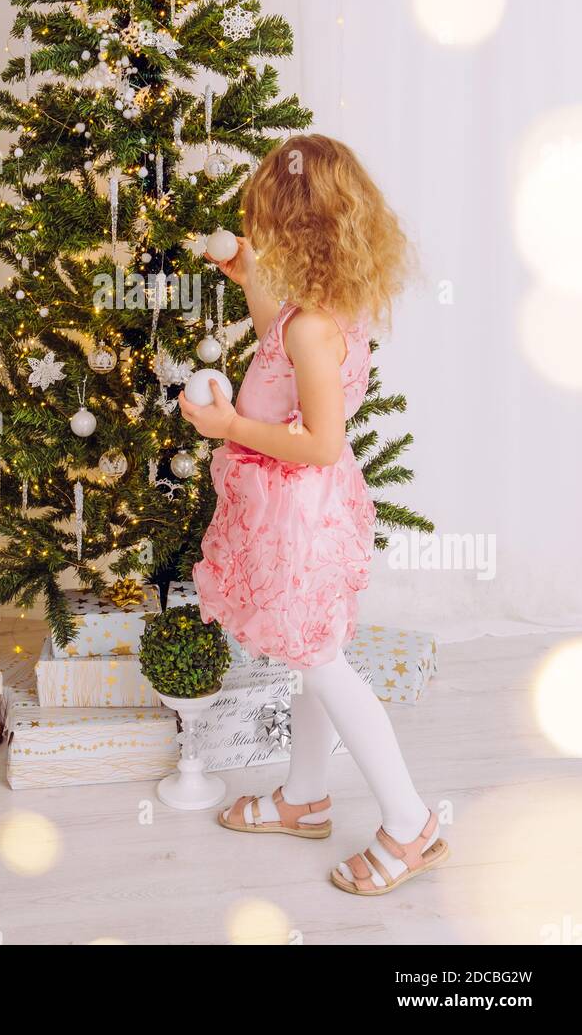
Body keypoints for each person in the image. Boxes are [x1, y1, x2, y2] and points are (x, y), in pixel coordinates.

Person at [179, 134, 447, 895]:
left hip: (294, 517)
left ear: (297, 233)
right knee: (311, 655)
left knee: (324, 664)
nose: (253, 231)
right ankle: (304, 796)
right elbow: (281, 330)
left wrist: (228, 428)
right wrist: (249, 277)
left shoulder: (310, 327)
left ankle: (410, 825)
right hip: (302, 512)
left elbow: (322, 443)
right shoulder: (323, 306)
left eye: (263, 224)